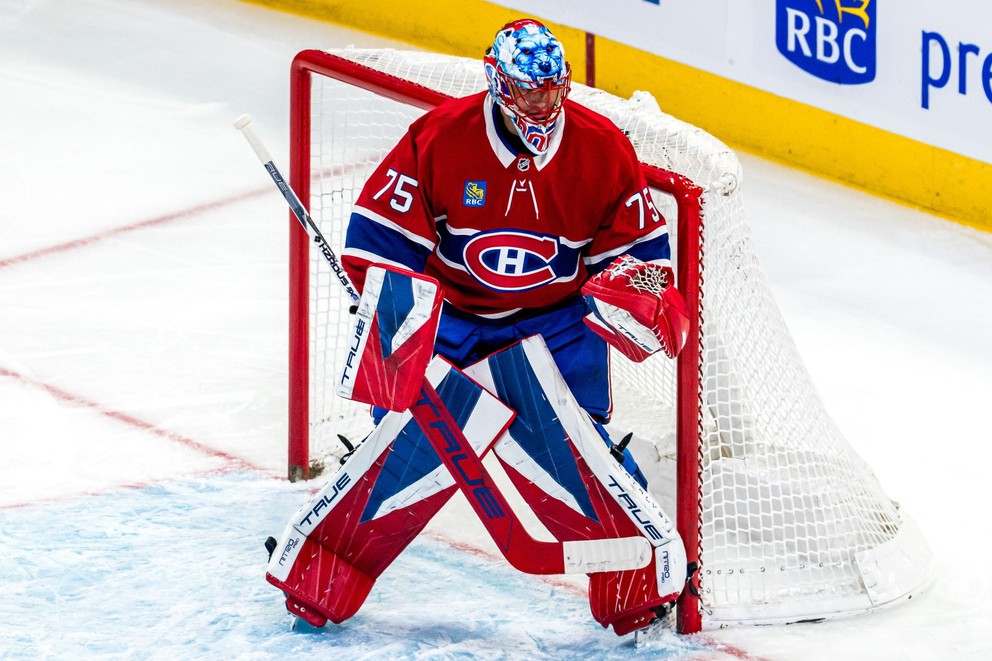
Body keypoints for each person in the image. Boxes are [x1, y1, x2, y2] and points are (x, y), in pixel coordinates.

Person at [266, 18, 690, 637]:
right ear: (497, 80)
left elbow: (641, 255)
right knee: (405, 443)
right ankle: (330, 568)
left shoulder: (601, 147)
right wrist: (397, 312)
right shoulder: (442, 137)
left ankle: (632, 582)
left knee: (580, 449)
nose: (542, 104)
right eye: (527, 90)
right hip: (453, 318)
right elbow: (379, 239)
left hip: (556, 322)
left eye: (551, 90)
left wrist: (634, 291)